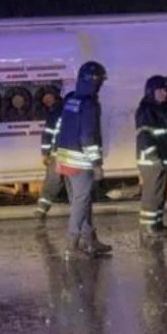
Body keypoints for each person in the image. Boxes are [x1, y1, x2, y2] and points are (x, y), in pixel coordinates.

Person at [55, 61, 112, 257]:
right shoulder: (90, 105)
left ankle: (90, 240)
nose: (101, 85)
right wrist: (96, 164)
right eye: (100, 81)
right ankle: (72, 245)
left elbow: (63, 129)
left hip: (65, 159)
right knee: (81, 203)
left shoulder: (71, 100)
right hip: (81, 162)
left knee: (82, 201)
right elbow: (88, 136)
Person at [136, 75, 167, 240]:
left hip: (162, 158)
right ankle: (148, 227)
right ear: (151, 91)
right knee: (152, 194)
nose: (164, 94)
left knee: (160, 193)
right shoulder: (146, 110)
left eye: (166, 91)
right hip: (152, 159)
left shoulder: (161, 109)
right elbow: (144, 136)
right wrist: (153, 155)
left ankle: (157, 223)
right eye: (160, 91)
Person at [35, 82, 66, 221]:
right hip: (70, 152)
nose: (45, 101)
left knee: (53, 181)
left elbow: (48, 134)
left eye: (47, 98)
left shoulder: (54, 112)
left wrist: (45, 153)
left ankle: (41, 211)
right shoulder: (64, 109)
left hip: (58, 154)